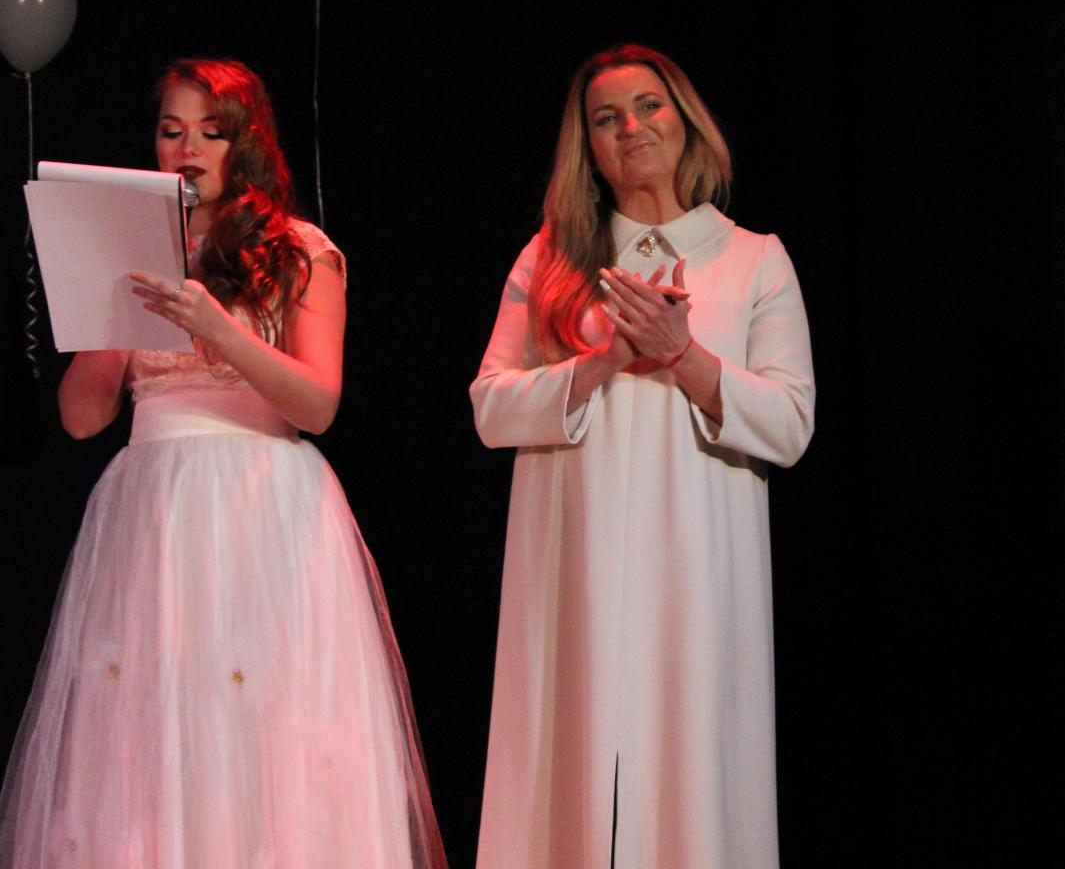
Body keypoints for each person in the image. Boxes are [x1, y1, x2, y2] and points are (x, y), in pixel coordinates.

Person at [0, 59, 447, 869]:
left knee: (262, 723)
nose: (188, 149)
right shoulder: (136, 247)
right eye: (171, 131)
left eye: (211, 132)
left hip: (258, 500)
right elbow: (83, 416)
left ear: (247, 144)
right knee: (148, 730)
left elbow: (316, 404)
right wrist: (109, 300)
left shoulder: (299, 250)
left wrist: (220, 330)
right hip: (153, 506)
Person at [470, 44, 815, 868]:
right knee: (570, 769)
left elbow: (791, 422)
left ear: (685, 121)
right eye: (606, 118)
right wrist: (602, 363)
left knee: (689, 773)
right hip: (577, 562)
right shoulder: (551, 259)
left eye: (648, 106)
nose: (631, 128)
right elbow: (490, 405)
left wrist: (682, 356)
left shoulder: (752, 258)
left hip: (695, 562)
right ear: (588, 147)